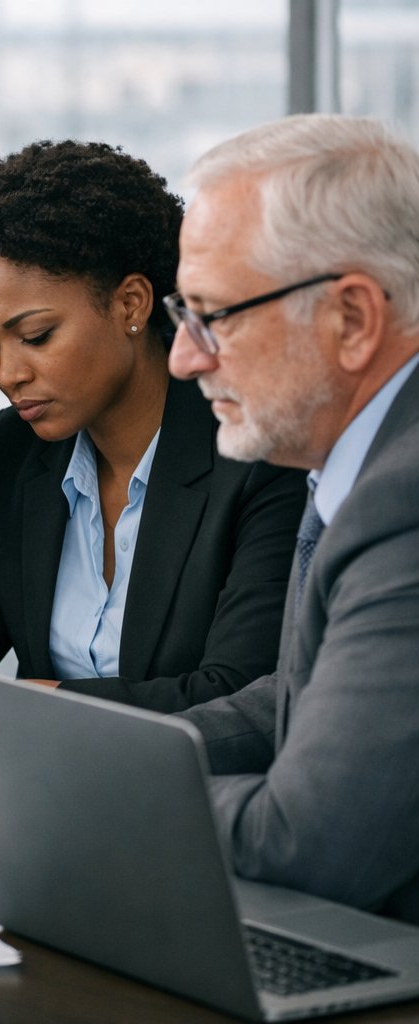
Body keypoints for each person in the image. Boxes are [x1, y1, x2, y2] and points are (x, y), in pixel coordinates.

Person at [0, 140, 305, 735]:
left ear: (131, 304)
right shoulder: (21, 450)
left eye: (35, 336)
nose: (8, 374)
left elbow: (243, 699)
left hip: (200, 808)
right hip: (38, 805)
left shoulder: (253, 452)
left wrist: (32, 708)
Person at [168, 115, 419, 922]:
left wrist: (103, 795)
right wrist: (91, 750)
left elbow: (313, 841)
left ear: (352, 319)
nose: (184, 357)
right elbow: (302, 693)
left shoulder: (405, 499)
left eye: (214, 316)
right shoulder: (366, 456)